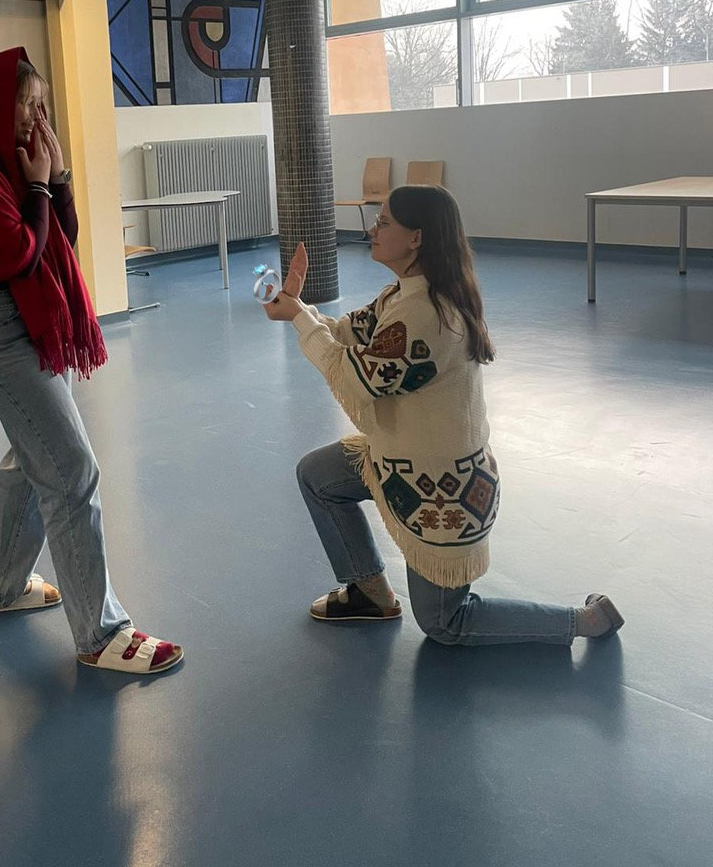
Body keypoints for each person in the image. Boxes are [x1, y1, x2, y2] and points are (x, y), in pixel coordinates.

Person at [263, 184, 623, 646]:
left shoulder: (424, 315)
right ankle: (370, 592)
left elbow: (356, 379)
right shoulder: (405, 295)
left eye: (385, 222)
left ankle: (584, 621)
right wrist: (300, 307)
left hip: (442, 494)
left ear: (416, 238)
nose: (373, 229)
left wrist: (299, 317)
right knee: (318, 475)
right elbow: (347, 334)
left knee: (444, 625)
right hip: (403, 466)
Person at [0, 46, 182, 674]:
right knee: (69, 469)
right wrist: (39, 186)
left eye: (41, 104)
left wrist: (56, 180)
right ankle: (103, 634)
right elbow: (20, 253)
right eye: (26, 104)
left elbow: (58, 237)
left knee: (31, 458)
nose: (36, 117)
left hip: (23, 324)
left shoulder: (8, 162)